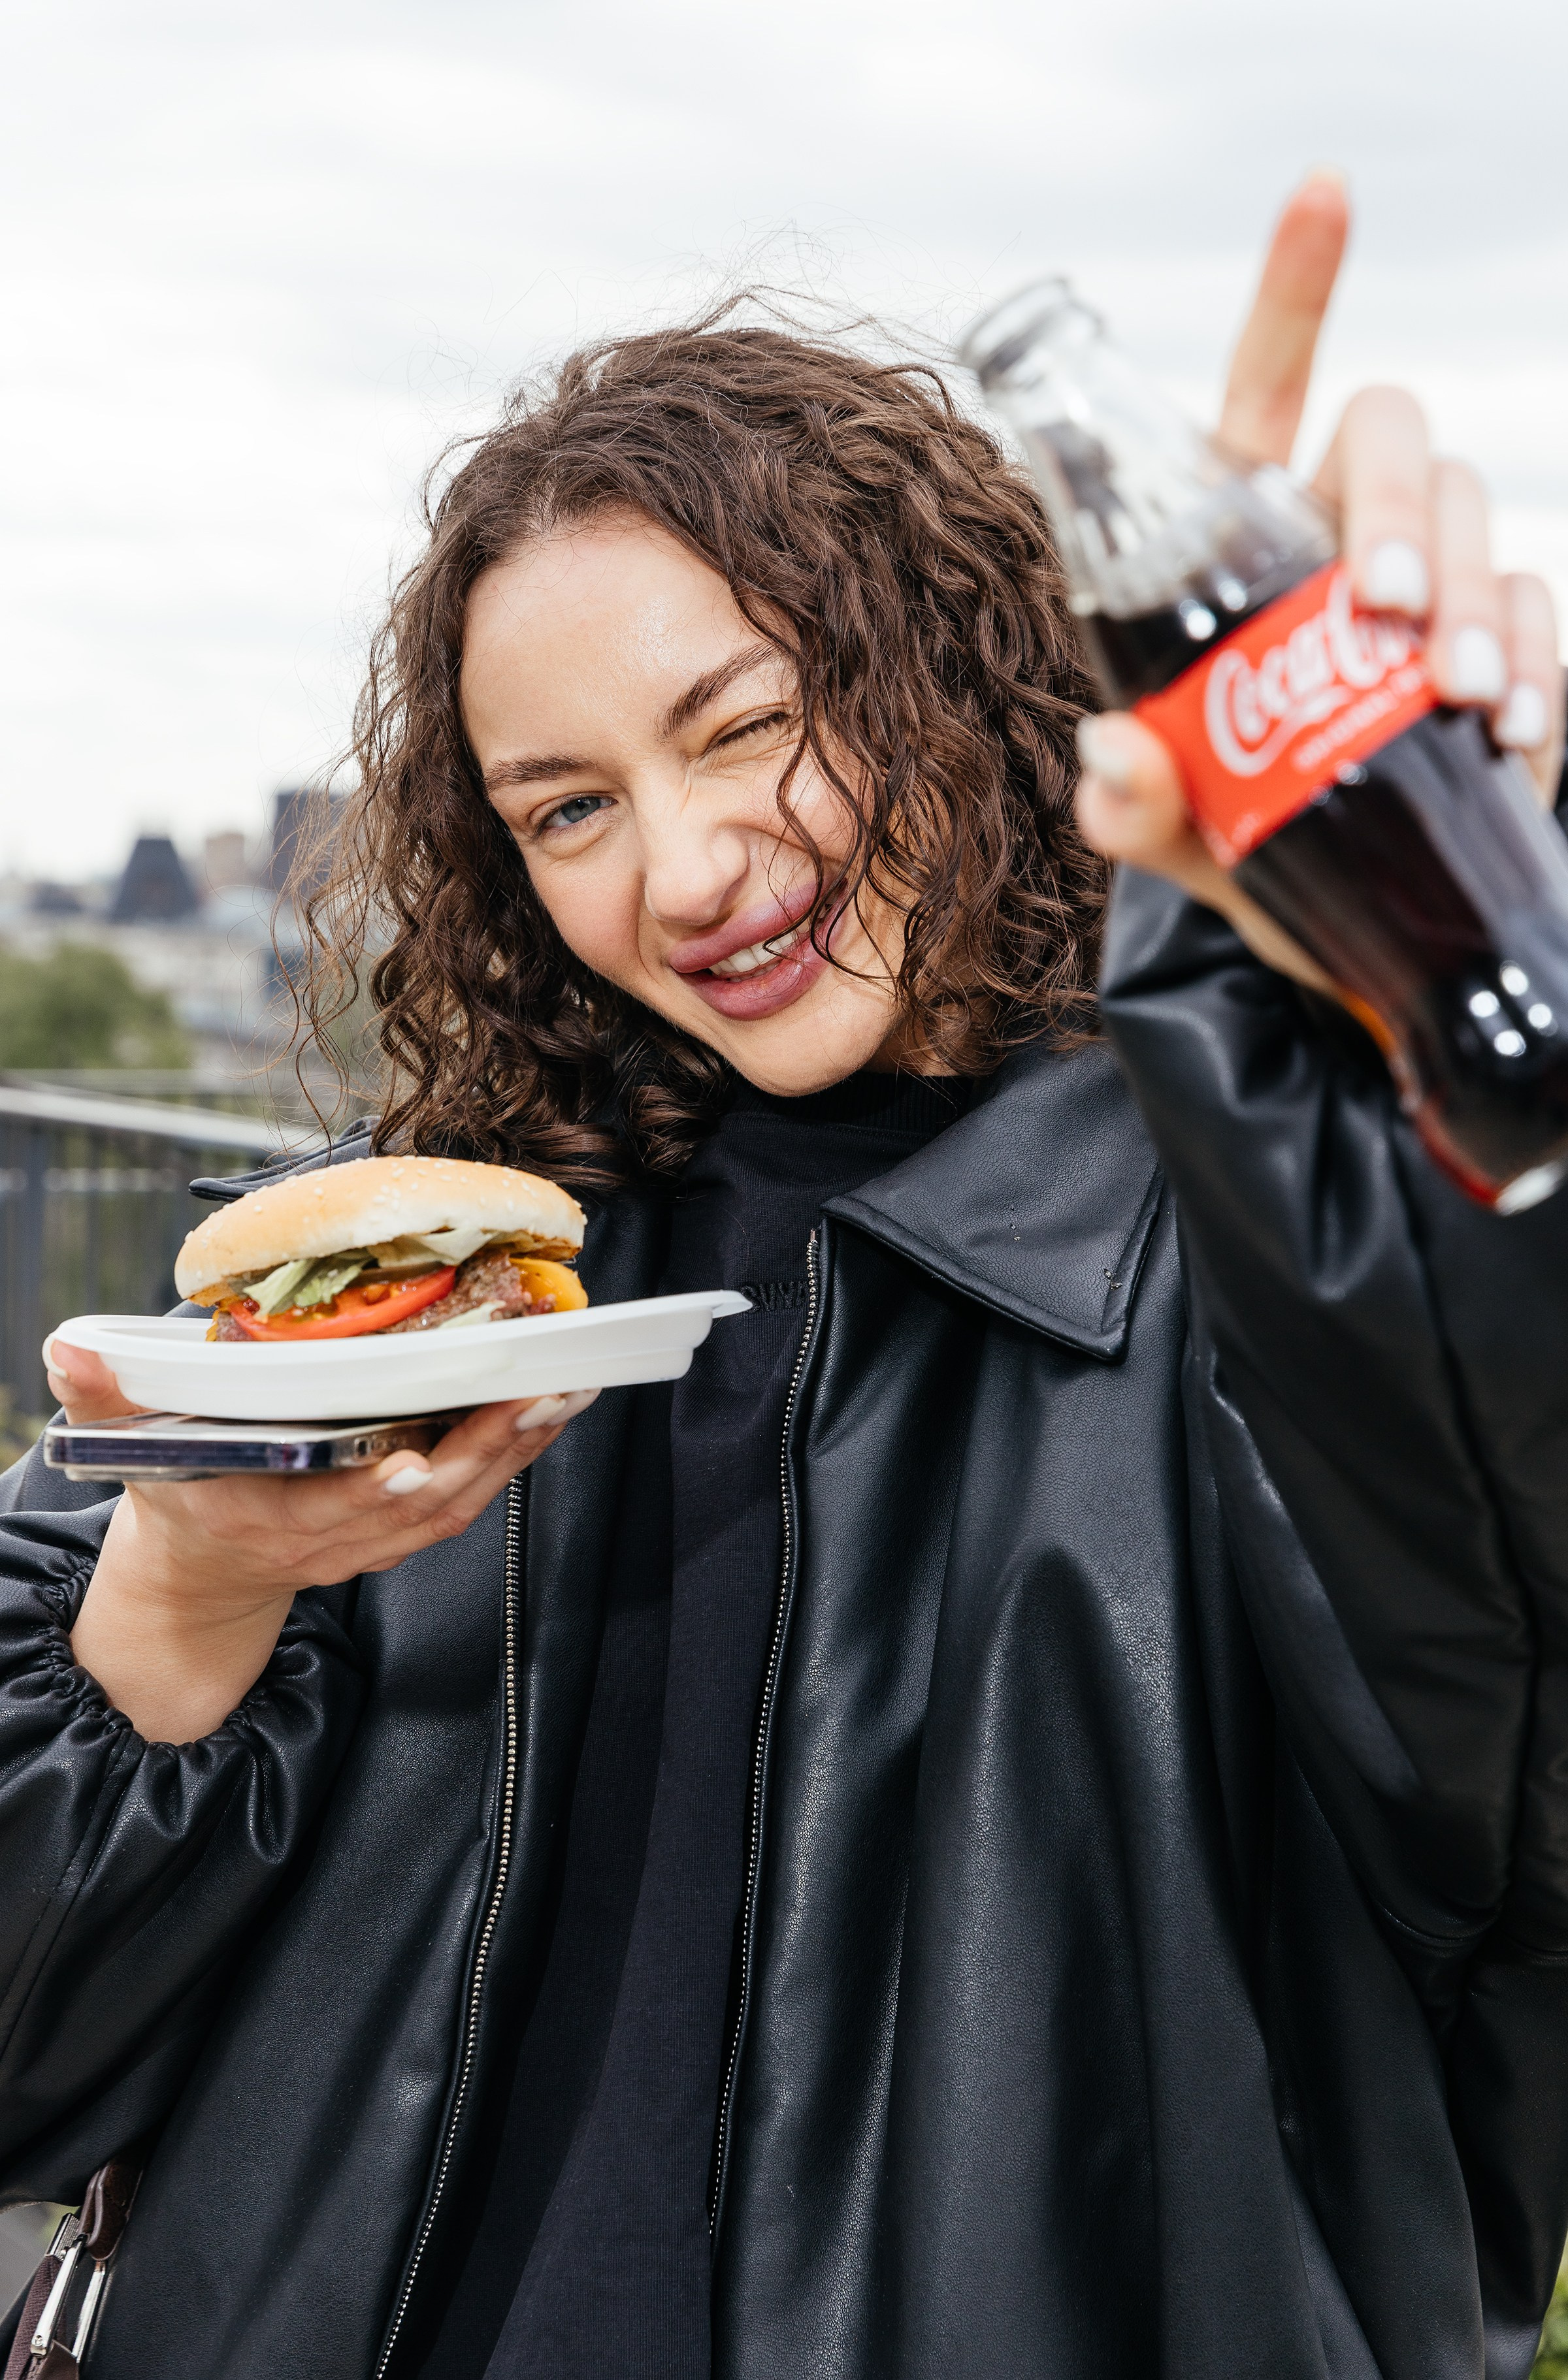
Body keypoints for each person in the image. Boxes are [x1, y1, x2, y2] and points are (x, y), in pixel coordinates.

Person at [3, 173, 1567, 2380]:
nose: (688, 869)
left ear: (953, 659)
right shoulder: (398, 1282)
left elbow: (1509, 1720)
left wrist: (1444, 957)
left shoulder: (1269, 1252)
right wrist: (184, 1589)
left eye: (746, 726)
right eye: (566, 809)